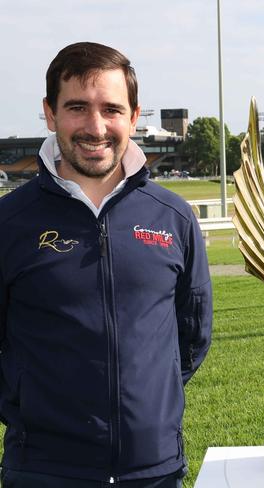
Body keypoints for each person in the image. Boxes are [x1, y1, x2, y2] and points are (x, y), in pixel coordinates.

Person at [0, 42, 212, 487]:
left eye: (111, 109)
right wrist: (27, 406)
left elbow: (191, 337)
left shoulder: (172, 217)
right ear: (50, 113)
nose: (95, 126)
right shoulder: (9, 221)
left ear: (134, 117)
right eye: (77, 107)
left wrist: (148, 409)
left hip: (154, 471)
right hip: (44, 471)